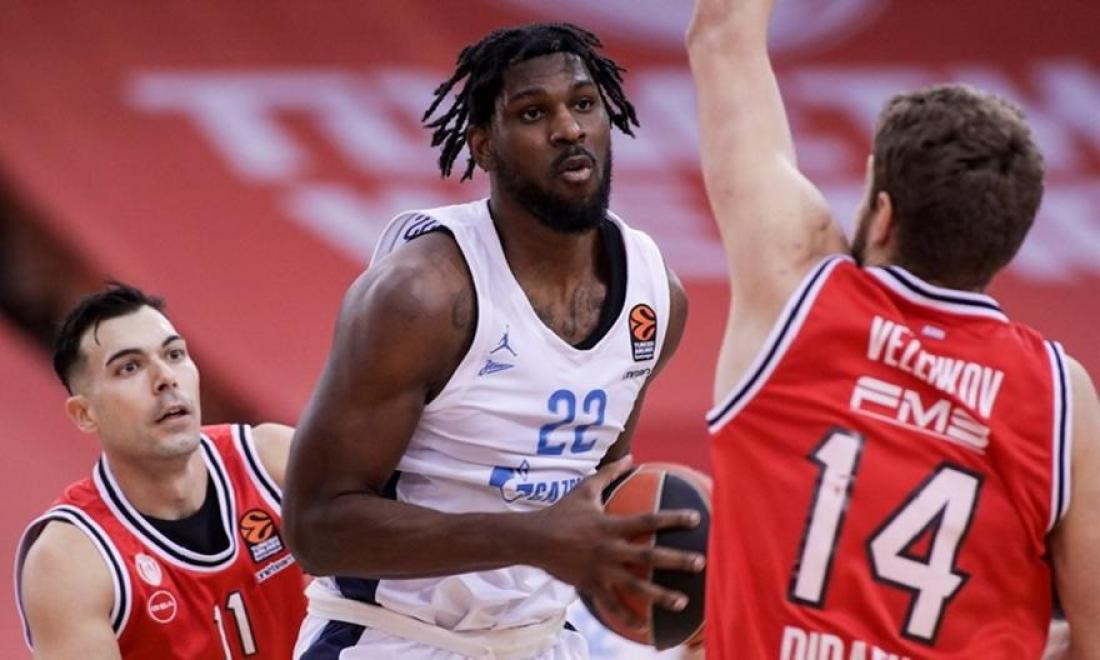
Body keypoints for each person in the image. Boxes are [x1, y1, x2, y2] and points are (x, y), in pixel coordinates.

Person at [686, 0, 1100, 658]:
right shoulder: (1060, 396)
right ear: (1007, 240)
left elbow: (721, 36)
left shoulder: (797, 292)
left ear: (882, 214)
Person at [284, 22, 700, 660]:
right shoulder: (421, 295)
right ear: (483, 145)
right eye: (533, 113)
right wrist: (532, 538)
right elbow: (316, 527)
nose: (568, 129)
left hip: (543, 639)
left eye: (584, 104)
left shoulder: (655, 296)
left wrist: (661, 557)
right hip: (394, 638)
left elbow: (602, 488)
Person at [15, 284, 308, 658]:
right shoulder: (70, 560)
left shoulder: (273, 461)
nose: (166, 376)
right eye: (130, 367)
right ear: (85, 414)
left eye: (174, 354)